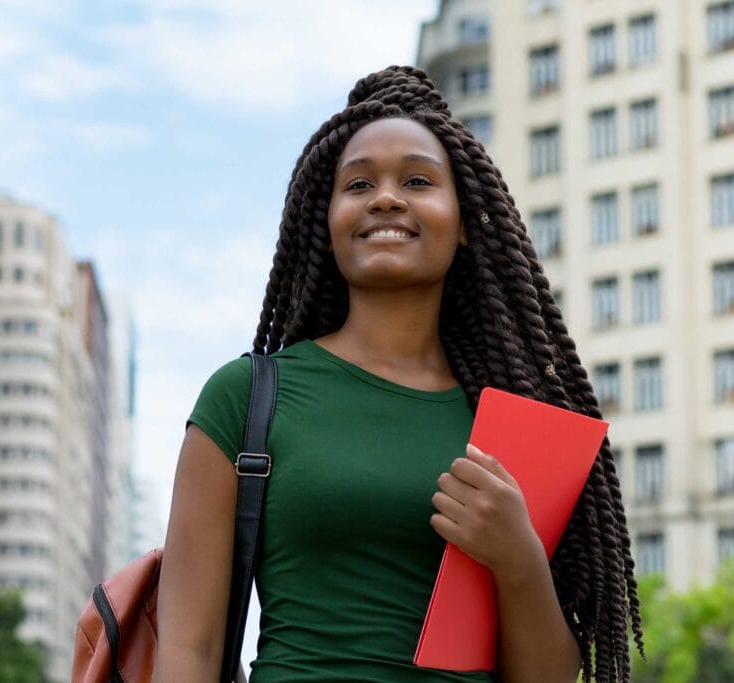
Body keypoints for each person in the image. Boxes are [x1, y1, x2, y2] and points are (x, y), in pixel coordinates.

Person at [153, 65, 642, 683]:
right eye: (358, 184)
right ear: (325, 225)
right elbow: (186, 651)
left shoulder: (514, 425)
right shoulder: (247, 398)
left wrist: (518, 558)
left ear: (465, 222)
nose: (386, 198)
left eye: (417, 180)